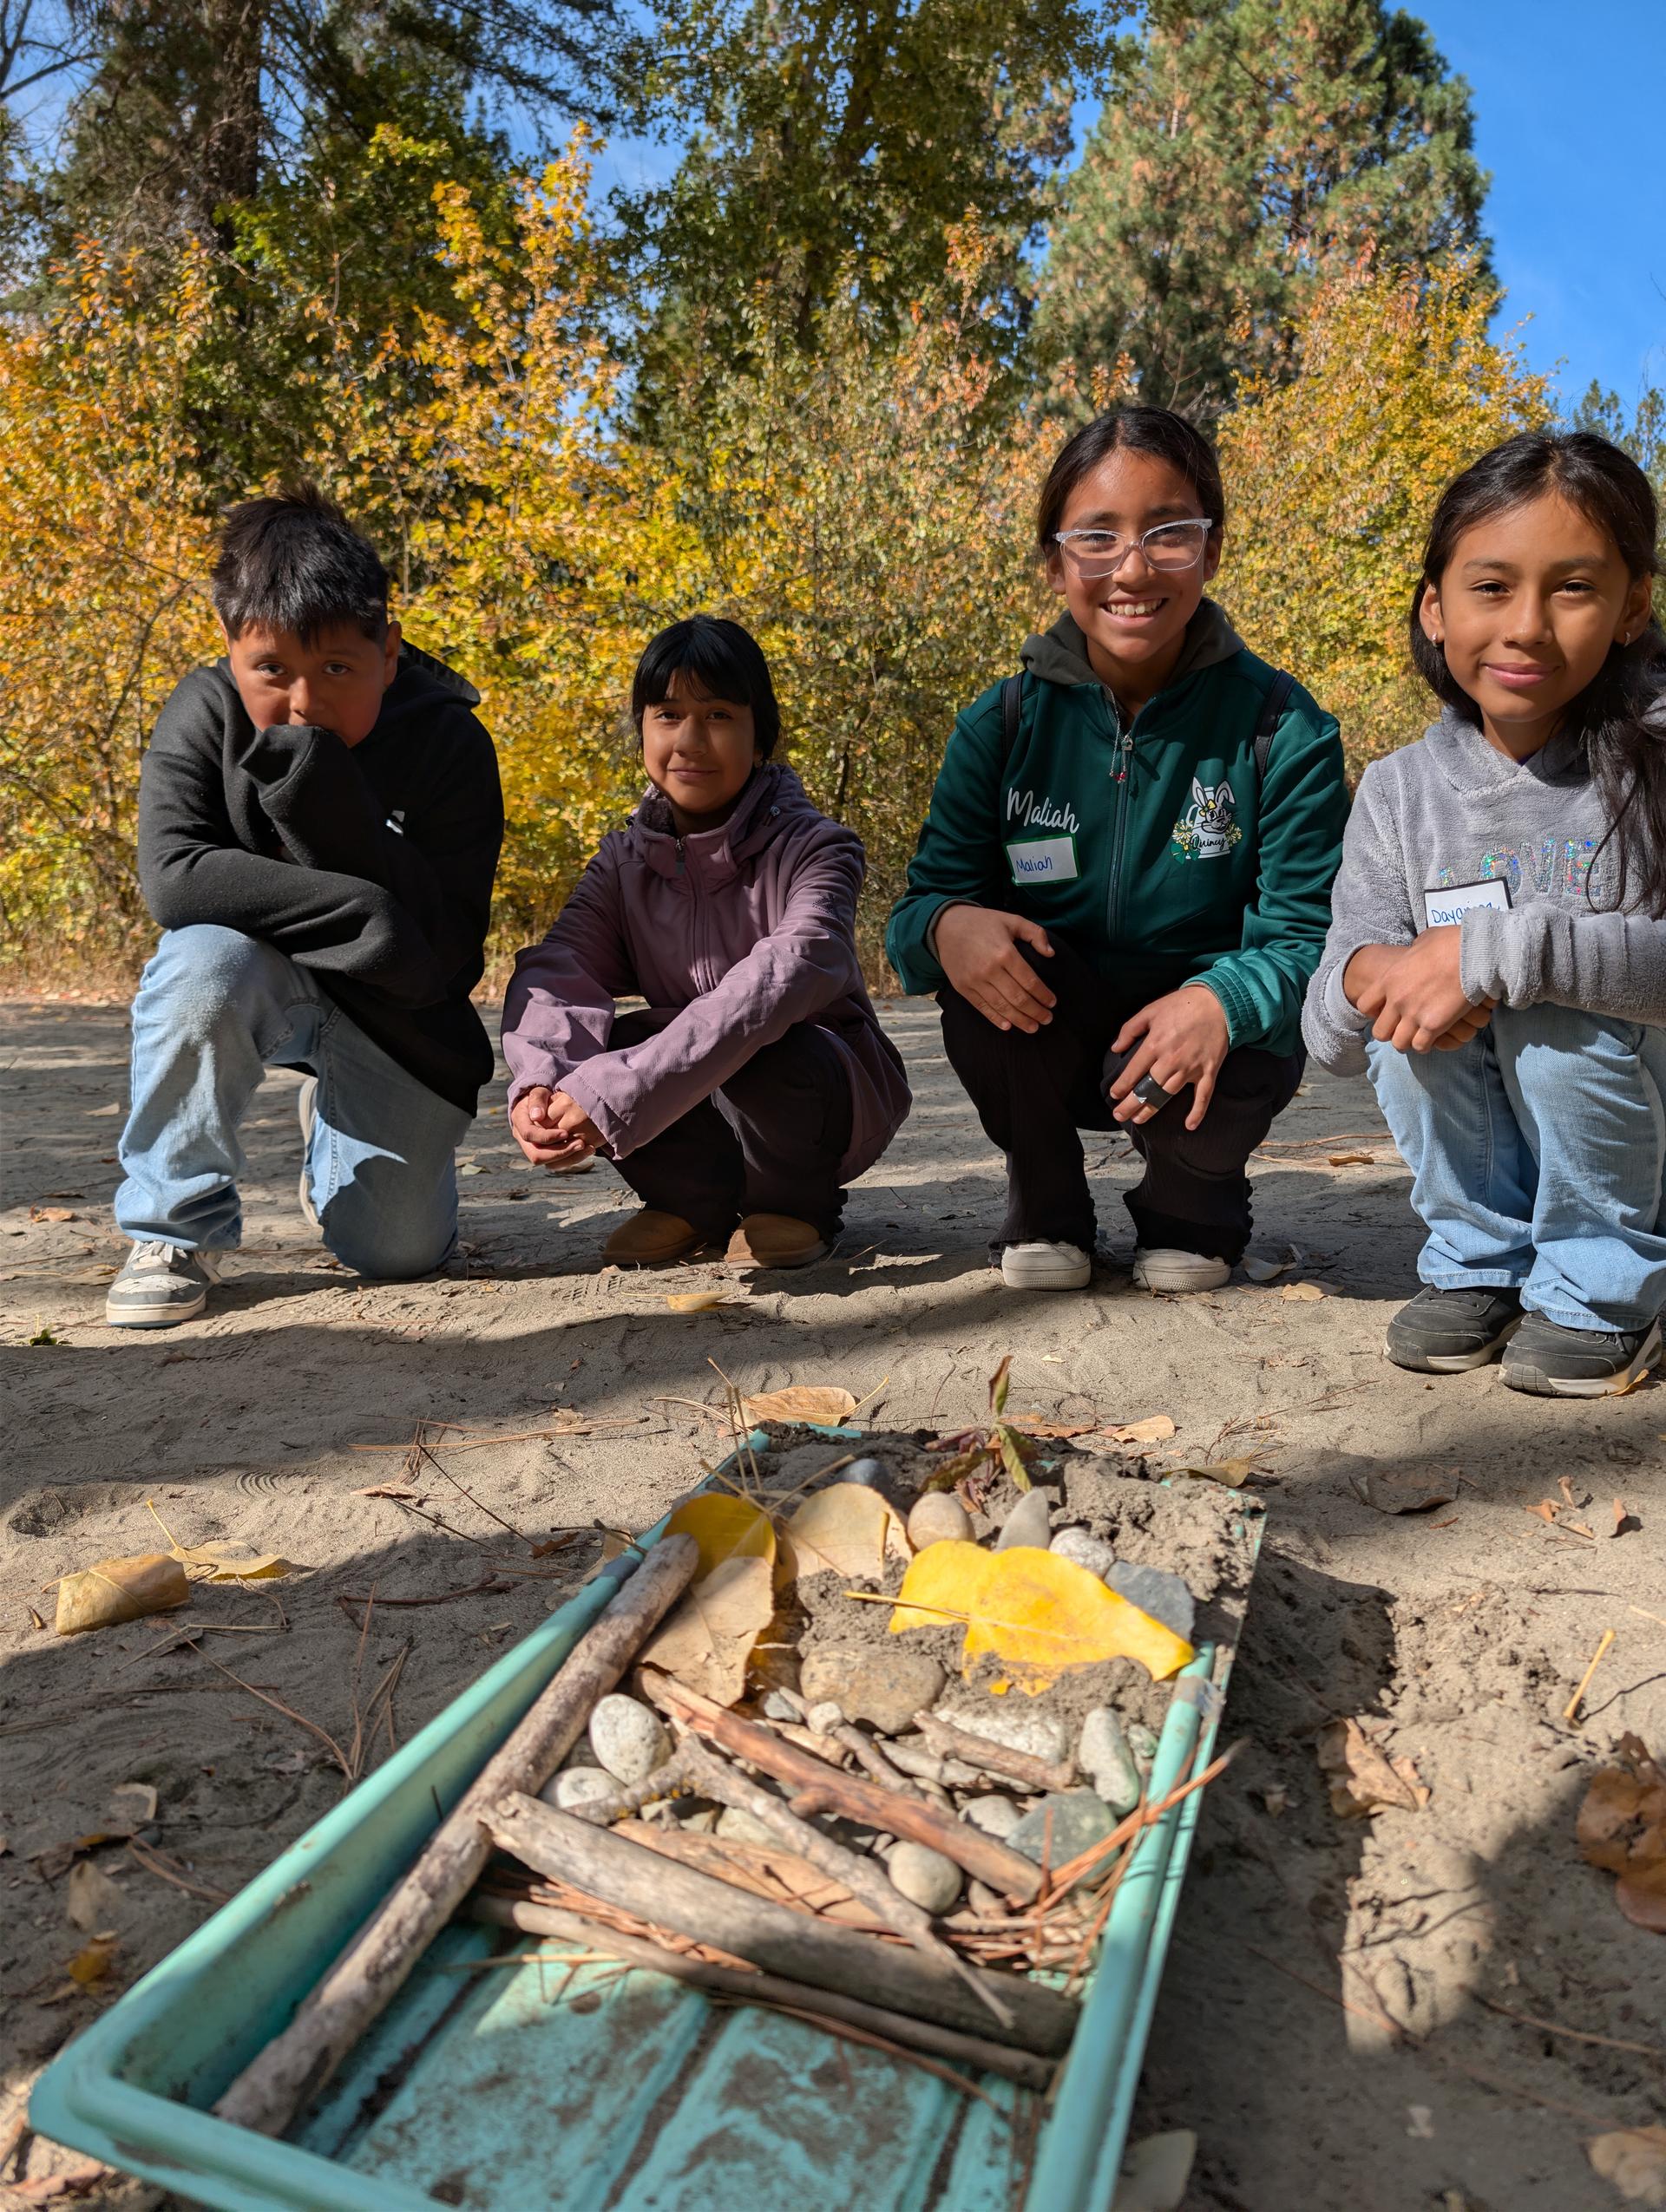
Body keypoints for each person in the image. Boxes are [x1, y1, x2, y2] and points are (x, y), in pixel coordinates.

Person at [886, 405, 1348, 1293]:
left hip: (1202, 1031)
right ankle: (1045, 1198)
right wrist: (945, 927)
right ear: (1056, 562)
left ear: (1211, 553)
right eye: (1097, 538)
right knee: (988, 975)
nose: (1133, 568)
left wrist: (1223, 1000)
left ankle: (1194, 1201)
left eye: (1169, 534)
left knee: (1252, 1019)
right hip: (1056, 1023)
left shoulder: (1282, 729)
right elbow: (914, 914)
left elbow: (1310, 941)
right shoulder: (1000, 724)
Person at [1303, 430, 1666, 1397]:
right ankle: (1483, 1263)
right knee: (1412, 1007)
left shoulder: (1655, 761)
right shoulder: (1397, 793)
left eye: (1574, 589)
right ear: (1435, 607)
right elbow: (1331, 1036)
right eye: (1492, 587)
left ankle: (1604, 1286)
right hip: (1481, 1122)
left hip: (1646, 1131)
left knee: (1542, 996)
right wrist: (1366, 977)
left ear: (1634, 605)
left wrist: (1492, 950)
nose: (1528, 627)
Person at [106, 488, 503, 1327]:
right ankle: (172, 1224)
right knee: (202, 965)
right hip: (262, 978)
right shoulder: (205, 712)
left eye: (336, 669)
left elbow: (453, 951)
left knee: (396, 1253)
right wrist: (368, 914)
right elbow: (176, 878)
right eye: (272, 670)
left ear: (388, 653)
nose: (303, 703)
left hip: (396, 1017)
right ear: (230, 650)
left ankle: (332, 1128)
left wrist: (344, 821)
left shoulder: (450, 743)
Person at [502, 616, 909, 1269]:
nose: (690, 741)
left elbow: (788, 972)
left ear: (760, 734)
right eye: (668, 714)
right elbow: (561, 967)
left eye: (718, 714)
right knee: (605, 1047)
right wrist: (540, 1084)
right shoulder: (622, 862)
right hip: (685, 1091)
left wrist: (619, 1088)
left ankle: (794, 1206)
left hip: (817, 1088)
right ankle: (693, 1204)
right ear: (641, 728)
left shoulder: (817, 849)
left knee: (775, 1044)